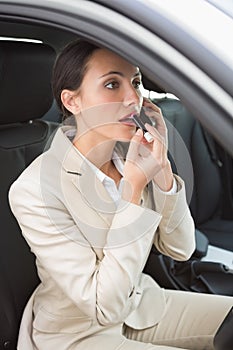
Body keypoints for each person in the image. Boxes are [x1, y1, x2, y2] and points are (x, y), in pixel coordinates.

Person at [9, 39, 232, 350]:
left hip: (143, 306)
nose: (133, 98)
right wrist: (132, 191)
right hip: (79, 333)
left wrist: (163, 171)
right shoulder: (33, 190)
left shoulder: (133, 156)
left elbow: (181, 249)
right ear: (73, 101)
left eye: (136, 82)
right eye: (112, 84)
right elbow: (104, 307)